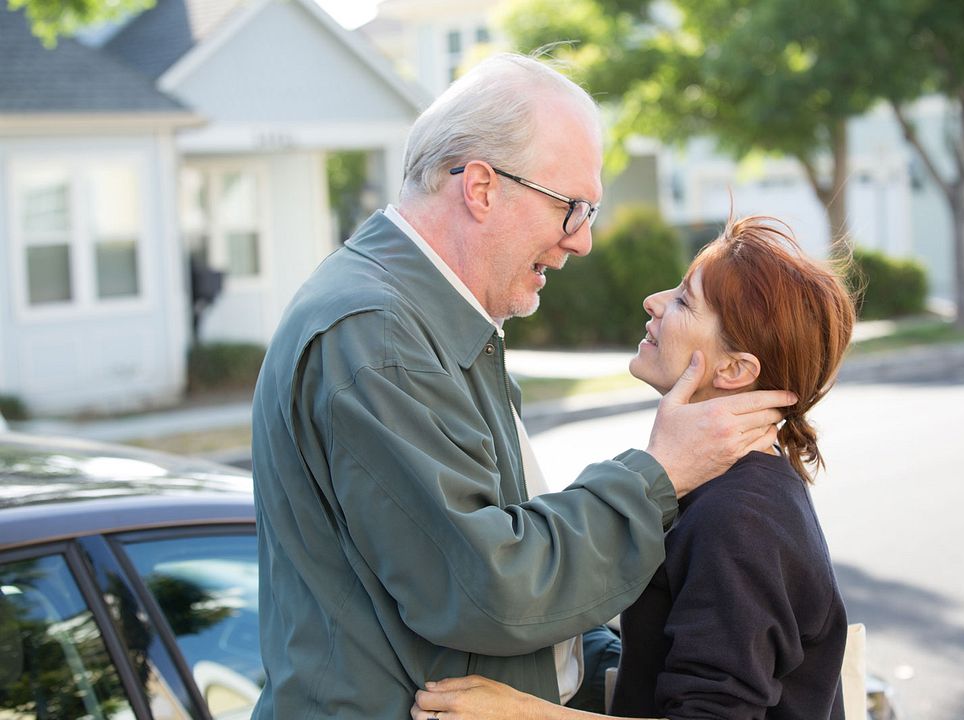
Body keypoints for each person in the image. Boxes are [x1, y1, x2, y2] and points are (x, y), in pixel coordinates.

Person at [250, 53, 796, 719]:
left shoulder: (437, 321)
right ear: (481, 188)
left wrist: (601, 670)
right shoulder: (379, 337)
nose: (584, 241)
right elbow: (488, 589)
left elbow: (522, 569)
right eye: (574, 207)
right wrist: (659, 474)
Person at [412, 214, 856, 720]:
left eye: (685, 301)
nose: (655, 301)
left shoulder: (741, 518)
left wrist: (520, 713)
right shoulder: (727, 485)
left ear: (735, 370)